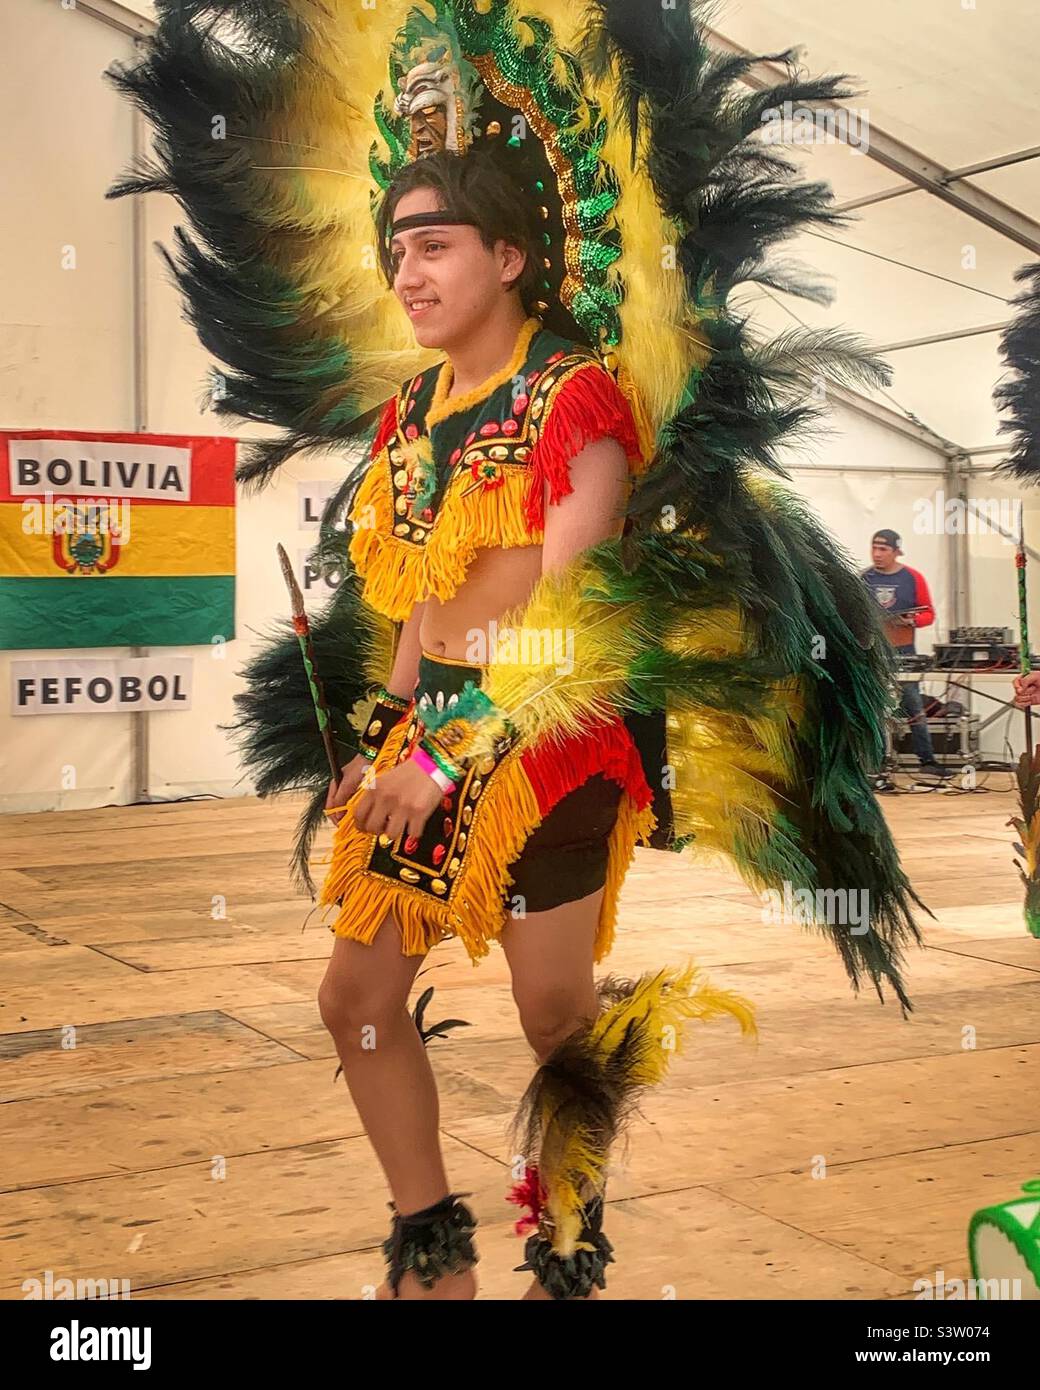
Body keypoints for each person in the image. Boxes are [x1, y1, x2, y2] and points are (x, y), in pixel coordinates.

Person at [109, 0, 924, 1303]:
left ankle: (571, 1232)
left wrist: (443, 749)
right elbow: (406, 609)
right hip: (427, 742)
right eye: (396, 252)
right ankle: (430, 1244)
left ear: (509, 253)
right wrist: (381, 740)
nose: (409, 273)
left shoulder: (575, 397)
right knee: (354, 995)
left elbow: (580, 605)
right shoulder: (408, 417)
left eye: (434, 245)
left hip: (550, 741)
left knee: (555, 1017)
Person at [862, 529, 948, 778]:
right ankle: (875, 760)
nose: (877, 554)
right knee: (874, 706)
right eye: (874, 548)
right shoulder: (863, 578)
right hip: (874, 651)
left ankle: (927, 759)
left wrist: (911, 621)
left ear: (896, 551)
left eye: (883, 549)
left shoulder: (913, 578)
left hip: (904, 651)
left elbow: (928, 614)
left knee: (913, 704)